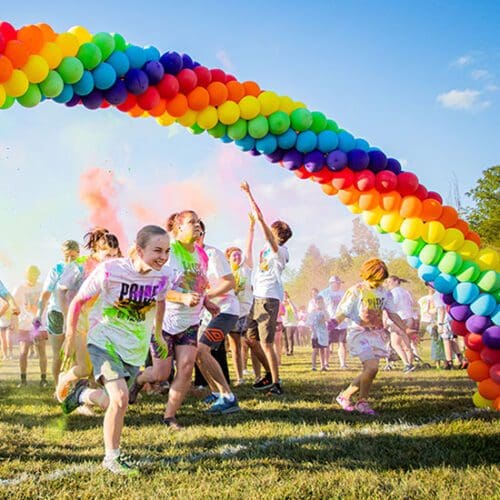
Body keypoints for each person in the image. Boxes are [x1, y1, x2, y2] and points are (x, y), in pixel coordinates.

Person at [60, 225, 172, 475]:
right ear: (139, 249)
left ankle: (81, 395)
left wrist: (157, 334)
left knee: (113, 401)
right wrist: (69, 333)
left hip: (133, 348)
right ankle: (112, 458)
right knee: (121, 398)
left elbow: (161, 301)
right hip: (104, 341)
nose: (163, 257)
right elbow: (78, 300)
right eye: (157, 250)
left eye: (167, 251)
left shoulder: (164, 275)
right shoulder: (110, 270)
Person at [129, 212, 214, 428]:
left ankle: (169, 416)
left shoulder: (202, 255)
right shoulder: (169, 252)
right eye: (191, 222)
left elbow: (198, 285)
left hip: (190, 323)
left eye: (198, 221)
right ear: (177, 228)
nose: (197, 225)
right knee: (161, 373)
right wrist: (182, 297)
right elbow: (155, 288)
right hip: (164, 323)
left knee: (186, 367)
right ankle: (138, 380)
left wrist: (206, 302)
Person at [332, 258, 412, 414]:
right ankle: (362, 402)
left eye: (380, 280)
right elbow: (344, 311)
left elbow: (393, 314)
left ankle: (345, 396)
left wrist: (406, 330)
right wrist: (333, 323)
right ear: (366, 275)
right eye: (375, 280)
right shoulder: (356, 290)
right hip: (358, 333)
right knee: (372, 367)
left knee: (370, 370)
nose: (377, 283)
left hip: (376, 334)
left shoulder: (385, 293)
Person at [56, 229, 122, 401]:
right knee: (84, 368)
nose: (111, 260)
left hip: (100, 322)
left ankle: (89, 397)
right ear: (95, 251)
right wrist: (67, 319)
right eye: (107, 255)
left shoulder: (114, 268)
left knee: (96, 366)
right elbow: (61, 291)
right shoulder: (79, 265)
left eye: (114, 255)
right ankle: (64, 379)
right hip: (79, 321)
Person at [241, 180, 292, 396]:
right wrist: (252, 226)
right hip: (257, 297)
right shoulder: (266, 249)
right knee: (250, 339)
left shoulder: (279, 250)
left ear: (277, 235)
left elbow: (261, 218)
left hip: (268, 300)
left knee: (267, 343)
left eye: (271, 231)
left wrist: (249, 193)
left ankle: (277, 383)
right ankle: (269, 375)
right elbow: (253, 239)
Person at [196, 223, 241, 414]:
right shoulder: (188, 258)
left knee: (202, 349)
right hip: (207, 313)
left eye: (198, 232)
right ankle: (215, 393)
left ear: (203, 235)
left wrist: (206, 297)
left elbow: (230, 282)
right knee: (195, 352)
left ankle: (228, 397)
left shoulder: (213, 254)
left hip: (226, 312)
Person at [33, 240, 80, 385]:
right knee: (58, 353)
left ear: (78, 254)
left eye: (73, 256)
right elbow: (46, 293)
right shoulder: (57, 268)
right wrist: (39, 314)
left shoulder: (81, 268)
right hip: (56, 314)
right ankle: (57, 386)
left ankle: (72, 386)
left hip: (76, 313)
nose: (69, 259)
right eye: (67, 256)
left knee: (74, 353)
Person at [226, 213, 255, 385]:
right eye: (234, 255)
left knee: (252, 343)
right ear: (228, 258)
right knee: (235, 346)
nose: (237, 256)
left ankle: (260, 374)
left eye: (239, 254)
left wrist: (251, 227)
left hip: (247, 310)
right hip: (233, 312)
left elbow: (249, 246)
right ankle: (240, 377)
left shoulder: (246, 268)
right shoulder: (226, 273)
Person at [13, 266, 48, 387]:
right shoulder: (20, 288)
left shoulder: (43, 286)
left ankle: (43, 379)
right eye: (29, 275)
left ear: (38, 275)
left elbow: (47, 304)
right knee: (23, 352)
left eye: (34, 274)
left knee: (41, 350)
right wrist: (14, 321)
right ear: (25, 275)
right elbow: (14, 305)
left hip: (39, 324)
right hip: (25, 324)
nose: (32, 277)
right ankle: (23, 380)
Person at [385, 276, 416, 373]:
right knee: (406, 344)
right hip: (409, 318)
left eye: (390, 281)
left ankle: (407, 364)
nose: (388, 283)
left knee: (395, 344)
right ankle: (410, 364)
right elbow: (412, 304)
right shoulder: (406, 292)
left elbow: (391, 307)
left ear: (396, 281)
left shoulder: (393, 293)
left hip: (399, 320)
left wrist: (386, 321)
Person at [319, 276, 348, 369]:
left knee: (342, 343)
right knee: (327, 343)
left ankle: (343, 364)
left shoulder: (343, 293)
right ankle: (326, 363)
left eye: (340, 283)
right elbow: (319, 306)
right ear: (332, 283)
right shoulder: (324, 293)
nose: (339, 285)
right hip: (329, 321)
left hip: (341, 321)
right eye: (338, 283)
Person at [434, 292, 466, 370]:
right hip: (453, 319)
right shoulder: (450, 292)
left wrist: (440, 324)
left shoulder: (437, 295)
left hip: (445, 321)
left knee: (446, 341)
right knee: (453, 340)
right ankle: (462, 359)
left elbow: (441, 309)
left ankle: (449, 362)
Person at [307, 296, 329, 371]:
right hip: (315, 333)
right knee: (315, 350)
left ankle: (323, 365)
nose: (320, 304)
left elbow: (328, 319)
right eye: (318, 302)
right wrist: (314, 332)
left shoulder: (324, 311)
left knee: (322, 350)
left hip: (322, 333)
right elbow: (310, 323)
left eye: (321, 302)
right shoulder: (313, 312)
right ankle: (314, 366)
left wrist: (324, 310)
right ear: (315, 303)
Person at [0, 278, 20, 359]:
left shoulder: (6, 299)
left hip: (8, 322)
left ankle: (11, 353)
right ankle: (5, 355)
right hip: (1, 322)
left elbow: (9, 307)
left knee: (8, 338)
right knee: (3, 340)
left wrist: (13, 322)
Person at [282, 291, 298, 356]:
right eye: (283, 296)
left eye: (286, 296)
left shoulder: (292, 303)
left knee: (289, 337)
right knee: (284, 337)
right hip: (283, 322)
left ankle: (291, 351)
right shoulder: (281, 304)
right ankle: (286, 350)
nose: (284, 297)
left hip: (291, 323)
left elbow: (295, 310)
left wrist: (290, 302)